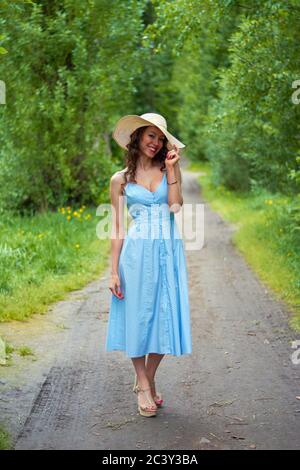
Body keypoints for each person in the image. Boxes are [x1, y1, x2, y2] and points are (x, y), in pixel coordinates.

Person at [105, 113, 192, 417]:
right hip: (137, 253)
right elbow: (116, 228)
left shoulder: (168, 168)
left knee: (165, 317)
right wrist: (114, 271)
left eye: (160, 137)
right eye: (150, 136)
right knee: (138, 317)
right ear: (138, 137)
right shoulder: (120, 179)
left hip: (168, 250)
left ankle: (148, 377)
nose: (155, 143)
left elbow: (176, 206)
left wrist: (172, 169)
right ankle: (143, 385)